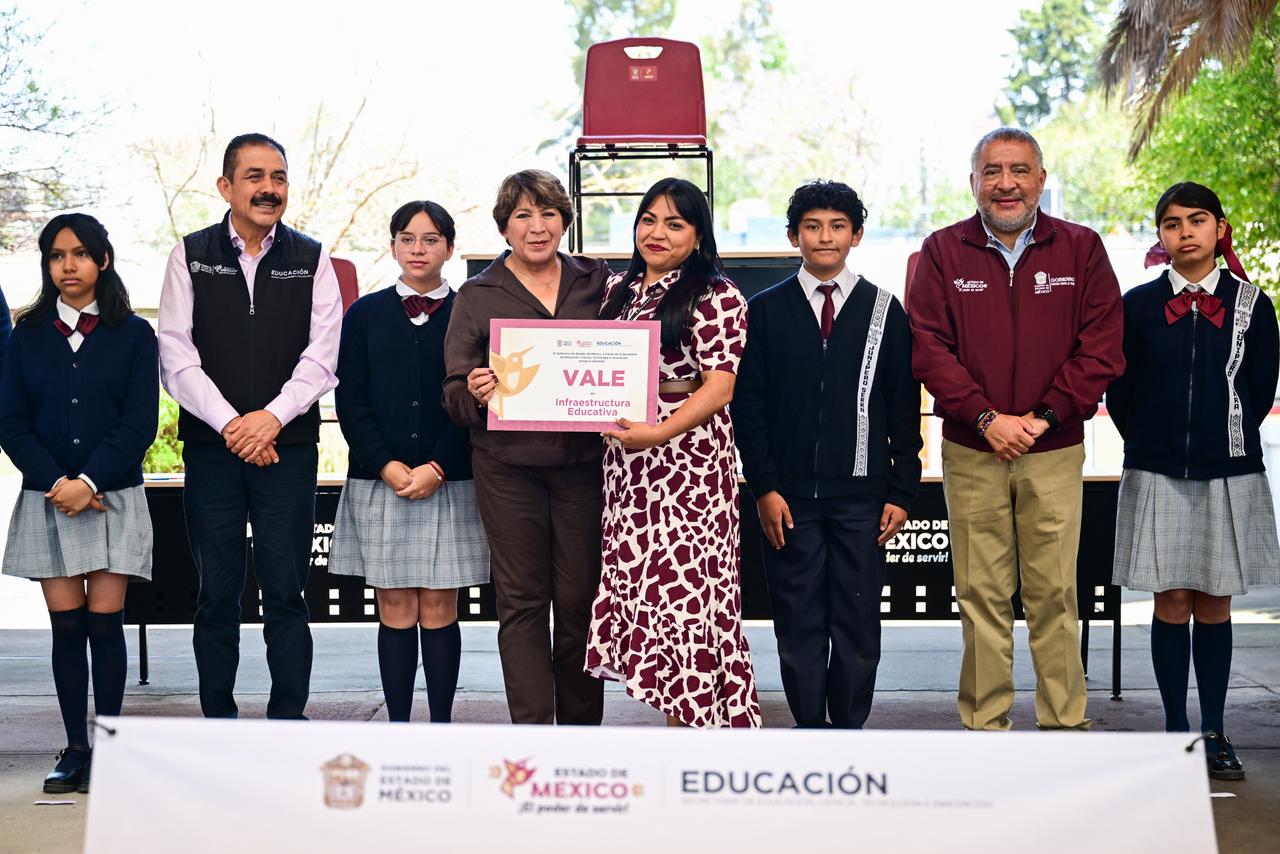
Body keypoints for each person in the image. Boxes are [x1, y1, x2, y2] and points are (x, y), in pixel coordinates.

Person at [907, 127, 1124, 731]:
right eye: (993, 171)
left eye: (1020, 170)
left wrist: (1042, 418)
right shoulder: (941, 251)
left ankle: (1064, 724)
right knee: (980, 594)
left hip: (1052, 450)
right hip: (973, 450)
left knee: (1055, 593)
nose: (1007, 184)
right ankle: (986, 726)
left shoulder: (1081, 249)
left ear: (1041, 179)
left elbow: (1102, 346)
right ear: (973, 182)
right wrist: (985, 418)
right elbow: (927, 348)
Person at [157, 133, 343, 719]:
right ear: (226, 187)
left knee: (287, 591)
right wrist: (234, 426)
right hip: (213, 450)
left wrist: (271, 419)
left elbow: (323, 355)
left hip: (288, 448)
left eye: (278, 177)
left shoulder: (312, 258)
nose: (269, 188)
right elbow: (176, 355)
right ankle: (219, 720)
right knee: (216, 592)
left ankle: (288, 718)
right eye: (255, 176)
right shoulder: (190, 255)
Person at [733, 180, 922, 729]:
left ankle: (849, 734)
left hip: (863, 499)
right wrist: (765, 487)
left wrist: (902, 490)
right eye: (812, 226)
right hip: (788, 500)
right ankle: (810, 731)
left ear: (856, 235)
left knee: (857, 623)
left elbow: (903, 405)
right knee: (798, 623)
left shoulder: (885, 311)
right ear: (793, 236)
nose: (825, 237)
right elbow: (749, 407)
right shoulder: (764, 312)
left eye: (838, 226)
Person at [1108, 182, 1279, 780]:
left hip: (1229, 471)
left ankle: (1214, 731)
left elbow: (1259, 387)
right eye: (1172, 223)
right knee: (1172, 600)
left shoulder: (1254, 304)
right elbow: (1120, 389)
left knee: (1214, 601)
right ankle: (1174, 732)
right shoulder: (1137, 305)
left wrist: (1221, 436)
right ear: (1161, 235)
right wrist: (1151, 438)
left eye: (1197, 220)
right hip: (1156, 469)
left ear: (1219, 229)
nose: (1185, 231)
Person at [585, 177, 761, 728]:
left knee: (687, 601)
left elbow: (719, 388)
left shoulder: (716, 295)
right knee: (647, 596)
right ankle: (677, 740)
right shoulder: (617, 289)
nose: (657, 233)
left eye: (674, 224)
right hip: (628, 472)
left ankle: (694, 745)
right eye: (648, 220)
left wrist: (658, 433)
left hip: (689, 469)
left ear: (698, 235)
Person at [442, 169, 610, 725]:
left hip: (585, 467)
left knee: (581, 601)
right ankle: (533, 736)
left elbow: (631, 353)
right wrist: (473, 391)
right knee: (521, 602)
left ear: (565, 220)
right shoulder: (477, 294)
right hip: (507, 469)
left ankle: (581, 735)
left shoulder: (599, 281)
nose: (537, 227)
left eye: (548, 213)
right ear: (504, 227)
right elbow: (453, 391)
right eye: (523, 215)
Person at [0, 213, 158, 793]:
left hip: (112, 497)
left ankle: (112, 745)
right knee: (67, 628)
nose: (68, 265)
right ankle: (75, 748)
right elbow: (11, 422)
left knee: (105, 625)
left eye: (80, 254)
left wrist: (88, 481)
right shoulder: (26, 335)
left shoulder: (134, 335)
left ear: (103, 260)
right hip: (49, 498)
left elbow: (139, 423)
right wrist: (58, 483)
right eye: (56, 256)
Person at [330, 200, 488, 723]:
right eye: (407, 239)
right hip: (382, 481)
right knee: (395, 605)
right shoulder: (364, 314)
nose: (418, 249)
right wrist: (386, 464)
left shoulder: (471, 310)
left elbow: (478, 399)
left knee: (441, 606)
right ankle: (398, 727)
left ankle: (440, 726)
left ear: (450, 247)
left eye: (431, 239)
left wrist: (438, 466)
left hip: (451, 480)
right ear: (393, 245)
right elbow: (351, 399)